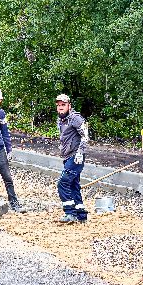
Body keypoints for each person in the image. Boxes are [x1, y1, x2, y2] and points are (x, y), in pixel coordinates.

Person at [55, 93, 89, 224]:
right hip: (67, 156)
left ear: (69, 105)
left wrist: (80, 152)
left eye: (63, 105)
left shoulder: (76, 118)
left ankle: (69, 212)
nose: (60, 108)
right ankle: (81, 214)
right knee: (74, 185)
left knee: (62, 183)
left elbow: (85, 136)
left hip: (75, 157)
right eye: (58, 106)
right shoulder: (61, 119)